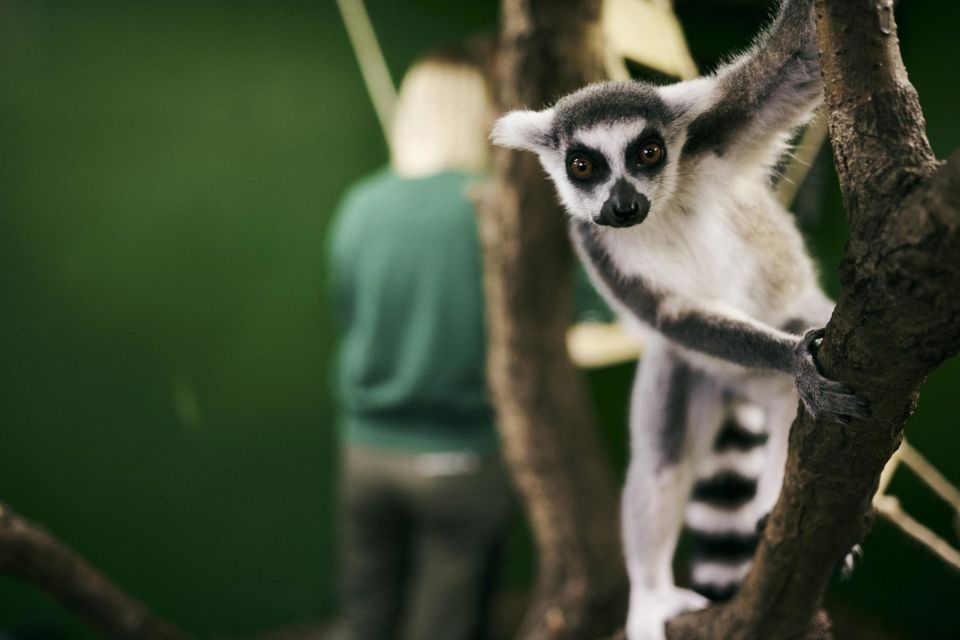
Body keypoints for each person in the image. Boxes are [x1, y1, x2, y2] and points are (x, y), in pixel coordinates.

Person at [327, 42, 513, 640]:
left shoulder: (359, 205)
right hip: (460, 459)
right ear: (480, 112)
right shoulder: (493, 212)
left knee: (364, 617)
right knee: (443, 625)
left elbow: (348, 309)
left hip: (366, 455)